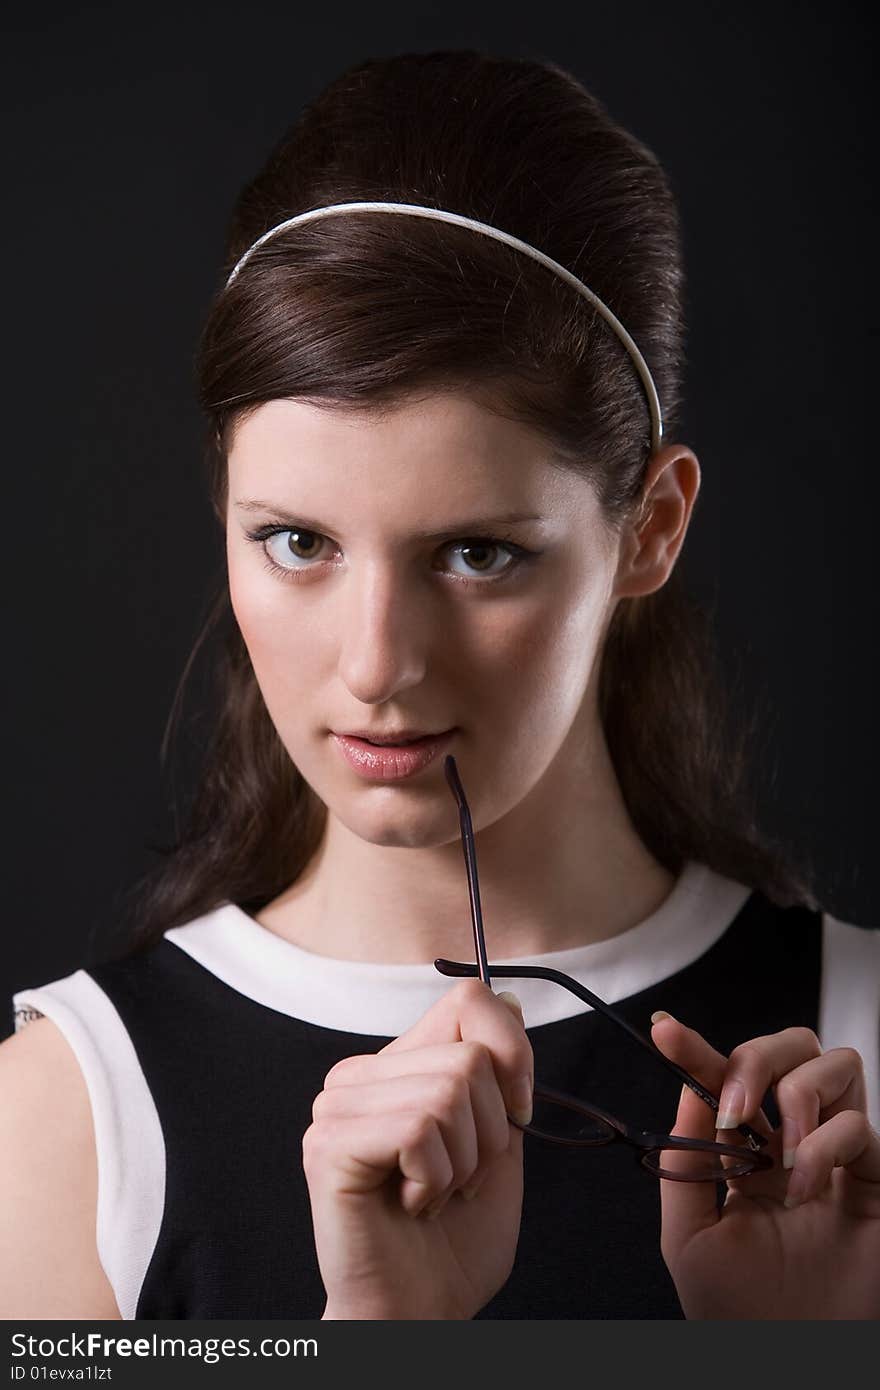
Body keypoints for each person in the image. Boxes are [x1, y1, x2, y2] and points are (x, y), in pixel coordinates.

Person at [2, 48, 878, 1322]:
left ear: (649, 526)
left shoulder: (861, 1051)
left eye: (477, 554)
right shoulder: (68, 1122)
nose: (372, 666)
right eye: (295, 541)